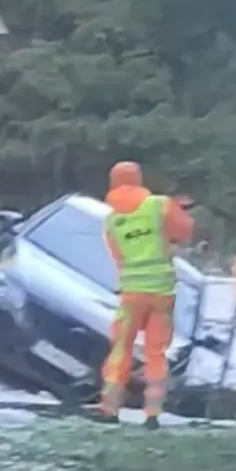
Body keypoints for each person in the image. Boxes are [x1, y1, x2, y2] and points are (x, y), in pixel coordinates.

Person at [99, 161, 194, 430]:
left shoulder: (111, 221)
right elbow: (183, 231)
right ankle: (152, 413)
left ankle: (109, 406)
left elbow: (119, 258)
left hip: (131, 294)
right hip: (161, 293)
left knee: (121, 349)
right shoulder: (157, 205)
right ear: (139, 179)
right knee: (156, 353)